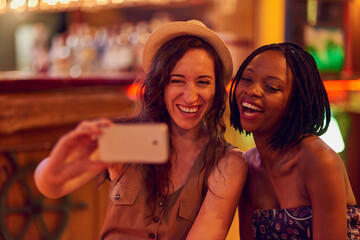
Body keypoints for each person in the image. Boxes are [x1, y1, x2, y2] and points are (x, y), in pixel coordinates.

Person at [34, 20, 248, 240]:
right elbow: (51, 187)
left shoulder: (226, 163)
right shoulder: (130, 139)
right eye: (177, 80)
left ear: (216, 91)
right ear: (160, 85)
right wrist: (62, 159)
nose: (191, 96)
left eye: (203, 82)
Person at [229, 42, 360, 240]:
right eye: (247, 79)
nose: (252, 90)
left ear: (294, 104)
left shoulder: (319, 160)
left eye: (271, 87)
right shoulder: (247, 166)